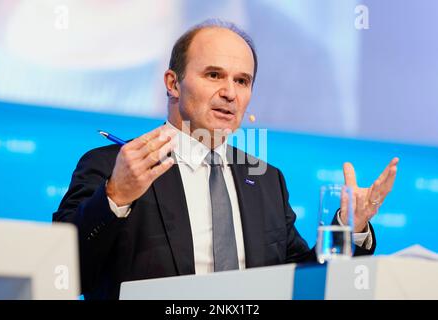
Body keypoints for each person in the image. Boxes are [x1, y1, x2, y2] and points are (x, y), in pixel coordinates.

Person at [53, 20, 398, 300]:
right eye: (214, 75)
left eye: (242, 81)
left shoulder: (265, 180)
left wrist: (348, 230)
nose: (230, 93)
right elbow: (65, 274)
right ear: (173, 83)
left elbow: (302, 280)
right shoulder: (114, 165)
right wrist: (116, 197)